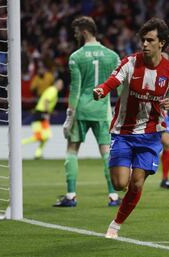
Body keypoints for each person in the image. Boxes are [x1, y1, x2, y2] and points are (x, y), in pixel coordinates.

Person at [93, 17, 169, 238]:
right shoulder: (130, 62)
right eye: (143, 40)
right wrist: (101, 91)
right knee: (119, 184)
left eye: (149, 40)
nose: (144, 44)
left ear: (161, 43)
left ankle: (115, 224)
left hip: (151, 135)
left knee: (136, 184)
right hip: (123, 132)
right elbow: (112, 81)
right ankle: (124, 185)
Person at [53, 16, 121, 207]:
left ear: (84, 31)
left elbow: (75, 89)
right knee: (107, 152)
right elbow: (120, 86)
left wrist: (69, 116)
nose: (74, 35)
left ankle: (71, 195)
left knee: (72, 150)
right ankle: (113, 196)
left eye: (76, 32)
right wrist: (122, 110)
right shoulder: (112, 56)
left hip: (81, 110)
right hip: (102, 111)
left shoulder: (76, 56)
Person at [22, 79, 64, 159]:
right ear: (56, 84)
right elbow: (46, 101)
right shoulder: (53, 90)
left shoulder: (51, 90)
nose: (61, 86)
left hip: (40, 113)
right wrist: (47, 113)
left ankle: (38, 154)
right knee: (41, 136)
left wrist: (51, 112)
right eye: (60, 84)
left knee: (46, 136)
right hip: (41, 114)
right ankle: (20, 143)